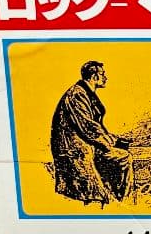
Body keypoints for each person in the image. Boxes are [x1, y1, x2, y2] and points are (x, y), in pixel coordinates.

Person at [50, 61, 132, 205]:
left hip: (87, 145)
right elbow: (87, 126)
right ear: (94, 76)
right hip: (74, 150)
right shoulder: (77, 94)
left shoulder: (86, 93)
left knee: (123, 157)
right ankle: (120, 202)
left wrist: (112, 138)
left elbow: (95, 125)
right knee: (95, 193)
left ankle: (122, 200)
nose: (105, 77)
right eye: (102, 74)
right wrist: (109, 141)